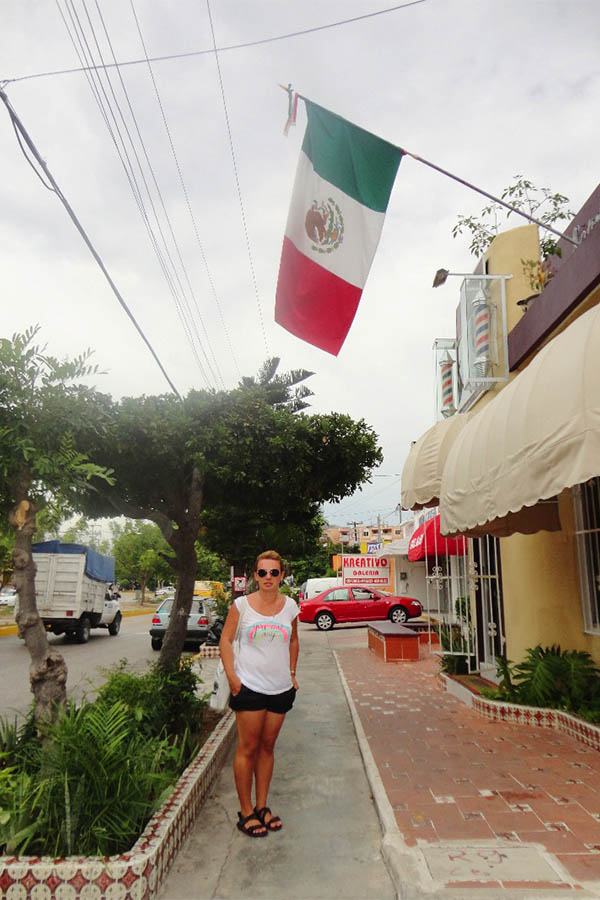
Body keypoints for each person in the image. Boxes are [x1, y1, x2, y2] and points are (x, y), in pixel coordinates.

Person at [219, 550, 299, 838]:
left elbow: (294, 640)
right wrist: (232, 676)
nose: (268, 578)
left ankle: (263, 806)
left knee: (267, 747)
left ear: (281, 576)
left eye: (274, 573)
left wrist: (292, 673)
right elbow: (226, 641)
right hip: (249, 687)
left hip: (280, 689)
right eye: (263, 573)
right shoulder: (242, 606)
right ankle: (246, 810)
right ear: (255, 576)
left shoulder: (290, 606)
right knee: (247, 749)